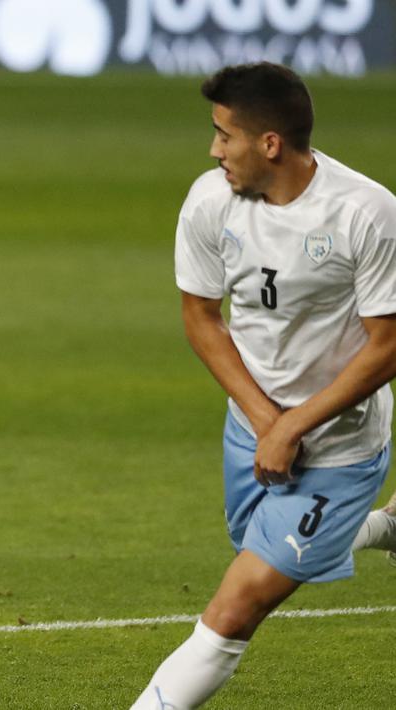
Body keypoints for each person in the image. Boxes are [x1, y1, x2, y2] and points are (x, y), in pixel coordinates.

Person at [131, 62, 396, 709]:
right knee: (260, 545)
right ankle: (389, 528)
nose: (213, 149)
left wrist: (294, 424)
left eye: (225, 135)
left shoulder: (364, 212)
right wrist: (264, 419)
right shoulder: (209, 200)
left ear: (269, 144)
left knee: (235, 607)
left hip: (337, 445)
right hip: (251, 431)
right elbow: (200, 316)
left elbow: (387, 344)